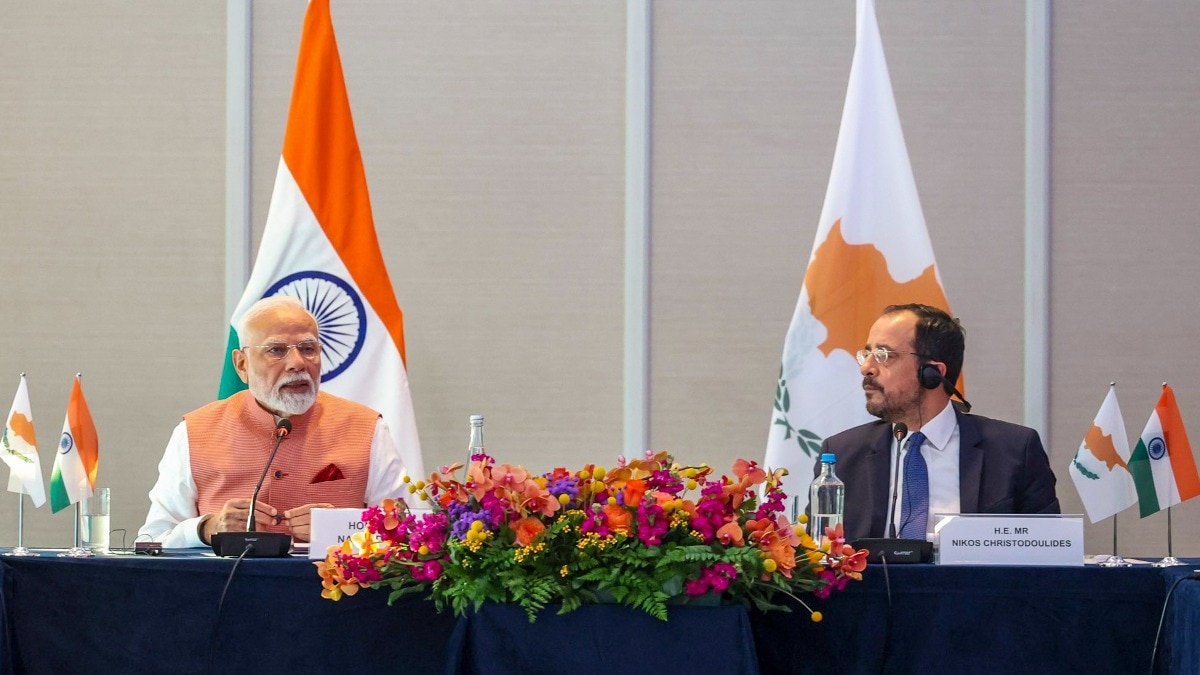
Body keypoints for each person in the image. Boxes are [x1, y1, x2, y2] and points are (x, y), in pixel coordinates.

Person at [138, 296, 411, 547]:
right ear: (242, 364)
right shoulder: (194, 431)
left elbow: (409, 533)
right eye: (276, 350)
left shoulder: (366, 428)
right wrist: (206, 529)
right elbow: (152, 539)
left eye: (308, 348)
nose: (297, 363)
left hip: (334, 596)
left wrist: (339, 528)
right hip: (225, 594)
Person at [820, 303, 1059, 542]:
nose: (866, 368)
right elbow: (820, 558)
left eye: (883, 355)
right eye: (867, 354)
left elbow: (1047, 556)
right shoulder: (842, 454)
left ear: (932, 373)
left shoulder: (1014, 451)